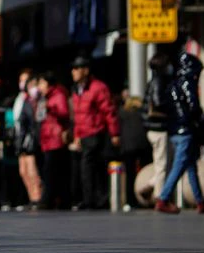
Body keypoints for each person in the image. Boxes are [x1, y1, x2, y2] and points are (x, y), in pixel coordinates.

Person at [155, 49, 204, 214]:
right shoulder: (187, 82)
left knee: (190, 166)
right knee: (179, 166)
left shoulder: (173, 83)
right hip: (185, 131)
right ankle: (164, 198)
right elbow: (193, 106)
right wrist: (199, 118)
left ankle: (200, 201)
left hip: (175, 130)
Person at [70, 57, 119, 210]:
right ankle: (93, 199)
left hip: (96, 132)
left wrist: (115, 133)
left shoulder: (98, 87)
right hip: (84, 134)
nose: (73, 72)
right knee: (91, 168)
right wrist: (77, 135)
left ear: (86, 70)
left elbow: (109, 111)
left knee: (89, 166)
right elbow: (78, 115)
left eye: (77, 68)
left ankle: (93, 199)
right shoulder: (77, 89)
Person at [37, 72, 72, 210]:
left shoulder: (58, 95)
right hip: (48, 138)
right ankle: (57, 199)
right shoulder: (46, 97)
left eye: (41, 83)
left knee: (51, 171)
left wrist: (50, 108)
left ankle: (48, 199)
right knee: (53, 171)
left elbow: (63, 113)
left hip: (55, 138)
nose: (39, 86)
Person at [13, 72, 43, 211]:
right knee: (23, 171)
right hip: (22, 139)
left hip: (32, 139)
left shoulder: (39, 100)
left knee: (32, 171)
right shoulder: (24, 100)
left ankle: (37, 198)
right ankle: (32, 198)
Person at [144, 54, 173, 199]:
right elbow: (158, 102)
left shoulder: (152, 81)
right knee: (162, 163)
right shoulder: (159, 81)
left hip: (153, 128)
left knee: (160, 162)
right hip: (159, 128)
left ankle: (150, 185)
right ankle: (160, 196)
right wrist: (173, 107)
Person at [118, 91, 151, 211]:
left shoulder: (122, 112)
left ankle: (130, 200)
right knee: (144, 172)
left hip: (128, 147)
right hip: (143, 145)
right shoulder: (143, 112)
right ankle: (144, 198)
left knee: (130, 175)